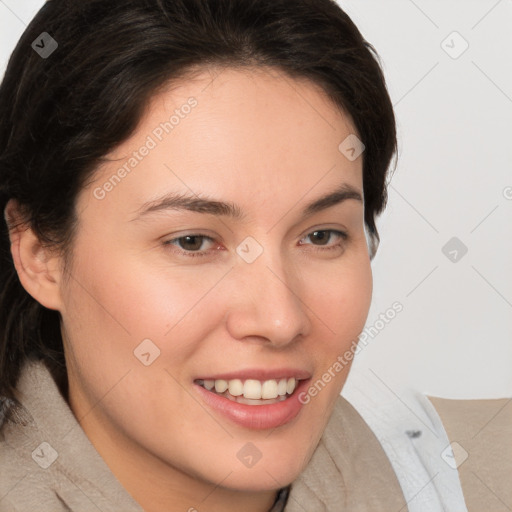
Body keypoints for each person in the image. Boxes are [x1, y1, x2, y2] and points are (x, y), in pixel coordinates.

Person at [0, 1, 509, 511]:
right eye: (192, 241)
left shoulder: (486, 476)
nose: (280, 319)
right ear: (38, 252)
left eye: (321, 236)